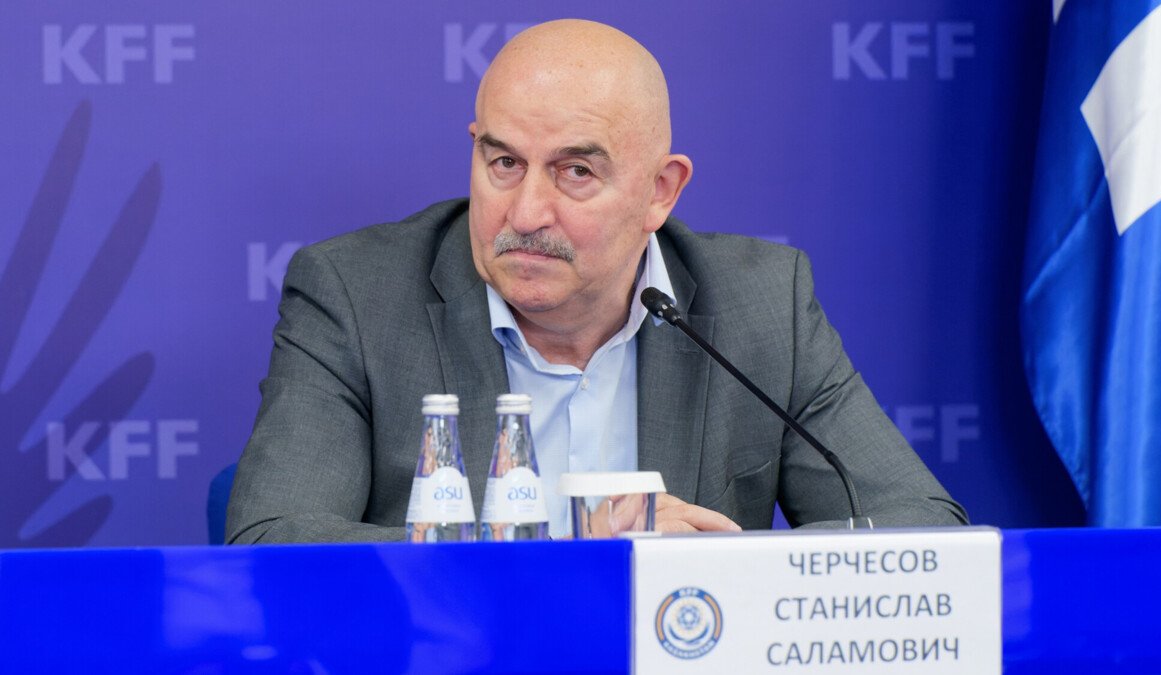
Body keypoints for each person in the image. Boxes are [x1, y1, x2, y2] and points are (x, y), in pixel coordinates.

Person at [226, 19, 966, 544]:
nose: (525, 212)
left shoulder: (763, 304)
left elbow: (925, 529)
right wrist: (570, 556)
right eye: (503, 162)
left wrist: (726, 569)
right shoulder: (355, 296)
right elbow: (274, 541)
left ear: (660, 192)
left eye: (576, 171)